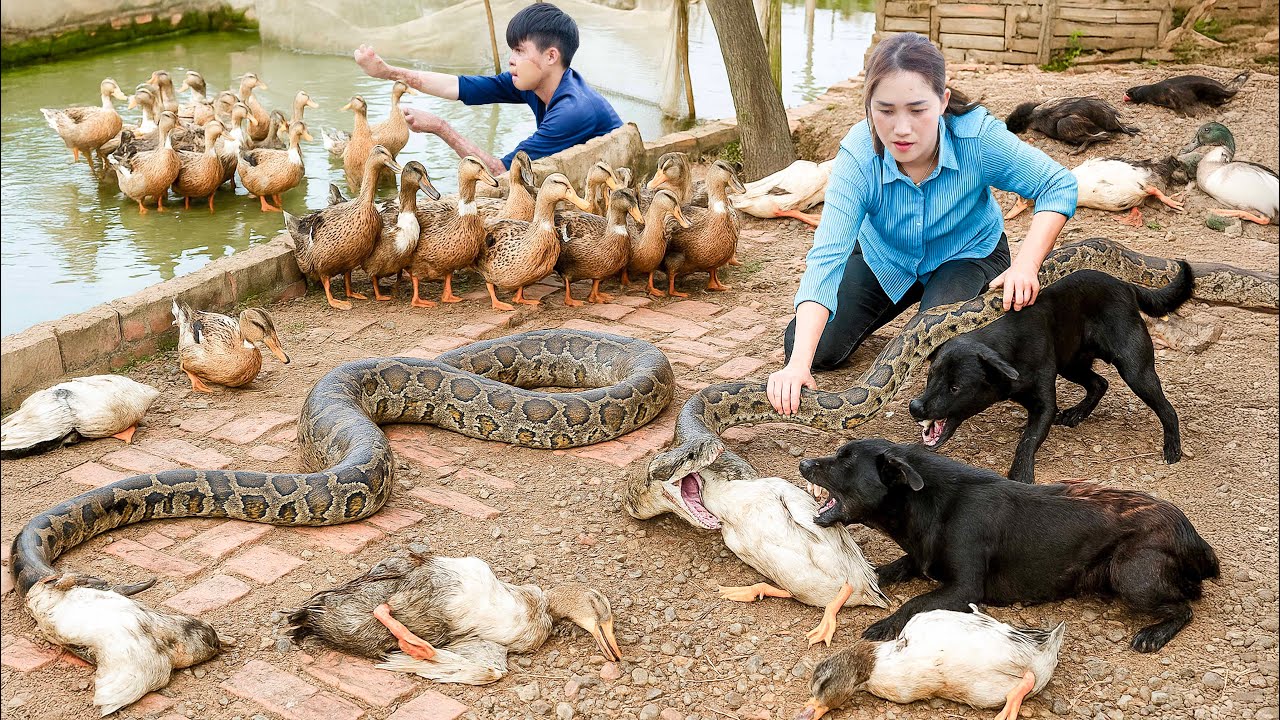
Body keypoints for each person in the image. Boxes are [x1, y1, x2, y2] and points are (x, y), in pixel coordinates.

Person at [766, 32, 1078, 417]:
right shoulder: (858, 154)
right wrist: (797, 365)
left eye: (917, 109)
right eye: (885, 110)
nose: (901, 129)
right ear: (868, 106)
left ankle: (936, 306)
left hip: (966, 255)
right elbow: (827, 256)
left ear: (943, 101)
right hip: (887, 258)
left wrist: (1027, 264)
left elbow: (1057, 184)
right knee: (812, 346)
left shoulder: (977, 137)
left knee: (938, 348)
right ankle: (894, 307)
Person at [352, 2, 622, 176]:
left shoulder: (572, 111)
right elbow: (461, 87)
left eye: (519, 50)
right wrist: (389, 73)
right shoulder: (532, 82)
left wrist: (439, 127)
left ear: (550, 56)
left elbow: (500, 172)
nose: (512, 59)